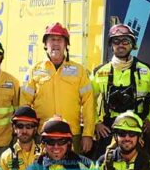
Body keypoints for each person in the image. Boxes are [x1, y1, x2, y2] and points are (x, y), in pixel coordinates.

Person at [20, 23, 95, 155]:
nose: (56, 43)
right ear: (45, 44)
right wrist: (26, 132)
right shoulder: (34, 71)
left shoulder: (79, 71)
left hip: (72, 135)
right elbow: (24, 105)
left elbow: (89, 102)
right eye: (52, 40)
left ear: (66, 45)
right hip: (43, 135)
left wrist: (88, 134)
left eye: (60, 40)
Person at [90, 24, 150, 157]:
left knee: (144, 167)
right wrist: (96, 123)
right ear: (111, 45)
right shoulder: (99, 72)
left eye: (125, 41)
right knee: (100, 165)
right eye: (116, 41)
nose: (120, 45)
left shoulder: (148, 71)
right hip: (110, 126)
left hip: (138, 125)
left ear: (132, 45)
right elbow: (89, 100)